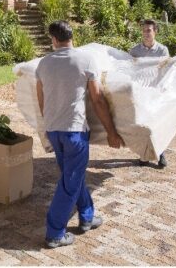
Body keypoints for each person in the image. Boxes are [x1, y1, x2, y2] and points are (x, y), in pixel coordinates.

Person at [36, 20, 124, 249]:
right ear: (72, 37)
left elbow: (41, 99)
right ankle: (55, 232)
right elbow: (97, 99)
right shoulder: (85, 59)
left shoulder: (43, 64)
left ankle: (86, 217)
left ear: (53, 40)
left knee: (72, 176)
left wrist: (47, 125)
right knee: (70, 182)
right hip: (74, 130)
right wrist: (112, 132)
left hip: (54, 129)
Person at [129, 19, 169, 168]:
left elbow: (164, 71)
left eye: (149, 30)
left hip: (156, 92)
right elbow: (130, 71)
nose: (146, 33)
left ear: (155, 32)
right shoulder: (134, 51)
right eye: (144, 30)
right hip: (140, 93)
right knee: (143, 125)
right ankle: (144, 155)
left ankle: (160, 153)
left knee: (157, 124)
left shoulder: (162, 50)